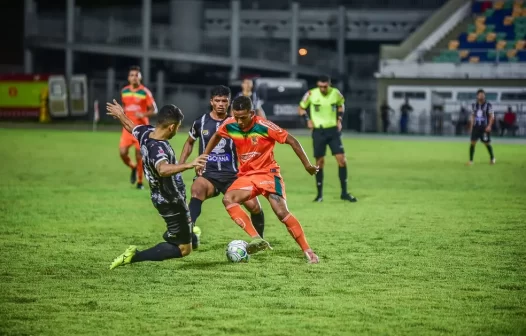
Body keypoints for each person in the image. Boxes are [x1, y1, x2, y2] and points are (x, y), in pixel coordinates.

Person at [204, 95, 320, 263]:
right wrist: (204, 156)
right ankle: (257, 238)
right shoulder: (230, 124)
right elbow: (216, 135)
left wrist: (307, 165)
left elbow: (292, 141)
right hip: (247, 176)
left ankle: (308, 251)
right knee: (228, 199)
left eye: (243, 117)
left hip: (268, 174)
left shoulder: (264, 126)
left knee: (281, 213)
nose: (239, 122)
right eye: (236, 117)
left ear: (252, 113)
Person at [106, 100, 208, 269]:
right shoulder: (157, 148)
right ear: (171, 127)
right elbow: (162, 169)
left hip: (161, 196)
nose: (177, 130)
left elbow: (132, 127)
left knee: (187, 233)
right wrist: (189, 164)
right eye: (178, 127)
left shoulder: (146, 132)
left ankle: (189, 233)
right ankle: (134, 256)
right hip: (171, 201)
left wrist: (120, 115)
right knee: (184, 249)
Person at [179, 85, 265, 238]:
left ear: (229, 102)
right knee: (196, 190)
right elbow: (189, 142)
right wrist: (181, 165)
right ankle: (187, 234)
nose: (220, 104)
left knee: (255, 206)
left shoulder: (237, 123)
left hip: (233, 176)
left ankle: (259, 240)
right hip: (208, 175)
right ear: (211, 101)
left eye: (224, 101)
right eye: (217, 100)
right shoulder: (201, 122)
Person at [298, 75, 357, 203]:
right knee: (319, 163)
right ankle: (319, 195)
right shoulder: (311, 94)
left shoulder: (335, 93)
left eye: (325, 86)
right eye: (320, 86)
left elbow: (341, 105)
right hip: (318, 131)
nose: (323, 89)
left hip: (333, 130)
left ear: (329, 85)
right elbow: (301, 108)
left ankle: (344, 193)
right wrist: (307, 121)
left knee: (342, 160)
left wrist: (339, 119)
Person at [119, 66, 158, 189]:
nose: (134, 77)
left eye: (136, 75)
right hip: (127, 128)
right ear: (128, 78)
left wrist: (144, 114)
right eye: (132, 75)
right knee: (122, 153)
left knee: (139, 155)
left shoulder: (145, 92)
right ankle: (133, 167)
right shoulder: (124, 91)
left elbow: (154, 110)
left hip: (141, 128)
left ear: (140, 77)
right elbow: (125, 107)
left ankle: (140, 182)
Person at [467, 89, 496, 165]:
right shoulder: (474, 105)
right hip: (476, 127)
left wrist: (489, 126)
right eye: (480, 95)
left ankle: (492, 158)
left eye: (483, 95)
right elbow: (472, 116)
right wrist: (471, 126)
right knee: (473, 142)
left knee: (486, 143)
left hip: (484, 128)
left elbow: (491, 116)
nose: (481, 96)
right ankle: (471, 160)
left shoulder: (488, 105)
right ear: (477, 96)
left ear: (485, 96)